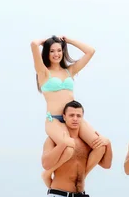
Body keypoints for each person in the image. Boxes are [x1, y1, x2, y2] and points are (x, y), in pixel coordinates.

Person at [31, 35, 109, 188]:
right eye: (52, 51)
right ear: (47, 53)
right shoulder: (43, 72)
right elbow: (33, 44)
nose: (56, 54)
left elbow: (90, 51)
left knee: (100, 146)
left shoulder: (69, 71)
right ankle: (48, 173)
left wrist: (69, 41)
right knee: (68, 146)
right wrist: (46, 40)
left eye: (59, 50)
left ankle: (81, 178)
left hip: (74, 118)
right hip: (54, 120)